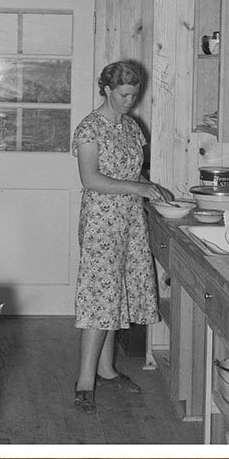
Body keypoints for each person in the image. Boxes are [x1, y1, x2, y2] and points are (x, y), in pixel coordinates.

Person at [70, 61, 171, 413]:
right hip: (101, 220)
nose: (130, 100)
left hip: (128, 220)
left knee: (118, 294)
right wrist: (139, 187)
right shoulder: (89, 129)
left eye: (134, 94)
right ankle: (85, 380)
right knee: (100, 297)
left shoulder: (131, 128)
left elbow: (134, 168)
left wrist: (153, 188)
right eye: (124, 94)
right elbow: (92, 179)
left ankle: (107, 369)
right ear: (107, 90)